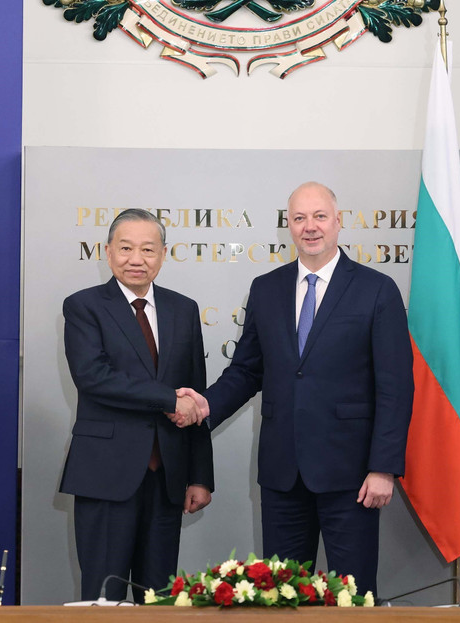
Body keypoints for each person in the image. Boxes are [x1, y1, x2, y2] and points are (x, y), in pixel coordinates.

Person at [180, 182, 413, 594]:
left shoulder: (377, 290)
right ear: (289, 225)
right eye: (300, 218)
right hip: (282, 474)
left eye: (320, 216)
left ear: (339, 223)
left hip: (353, 476)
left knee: (354, 597)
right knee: (281, 596)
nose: (310, 227)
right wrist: (204, 406)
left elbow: (396, 387)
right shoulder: (266, 288)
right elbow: (247, 371)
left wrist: (384, 467)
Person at [60, 208, 213, 603]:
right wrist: (168, 399)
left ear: (163, 254)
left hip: (167, 477)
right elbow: (94, 377)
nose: (136, 259)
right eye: (126, 248)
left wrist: (199, 475)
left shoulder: (184, 309)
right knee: (104, 594)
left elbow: (195, 390)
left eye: (148, 249)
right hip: (106, 474)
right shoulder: (84, 306)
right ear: (108, 252)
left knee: (158, 596)